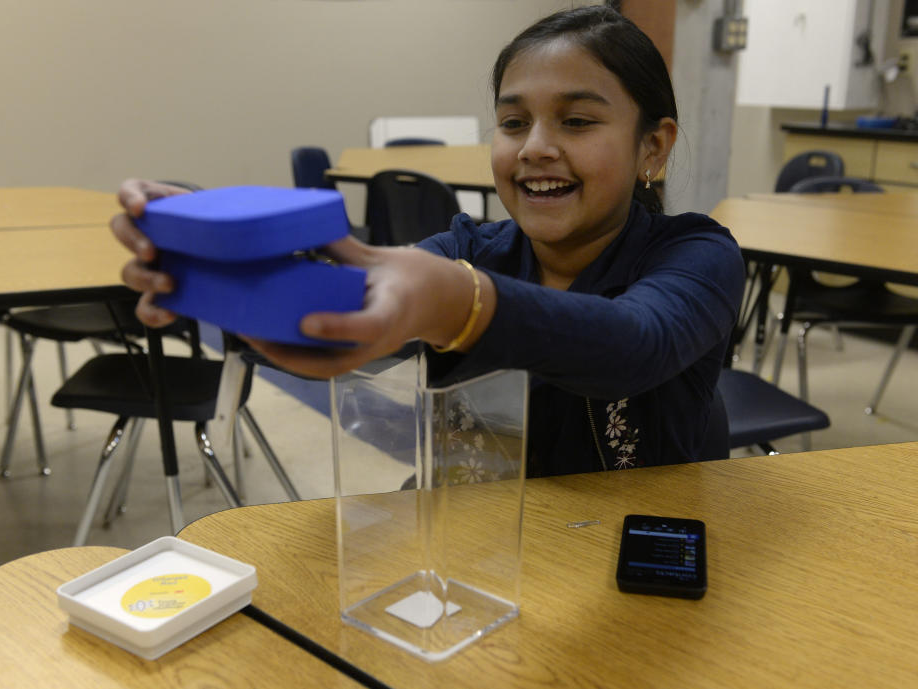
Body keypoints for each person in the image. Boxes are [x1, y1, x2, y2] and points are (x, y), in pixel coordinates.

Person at [111, 5, 745, 477]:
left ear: (653, 147)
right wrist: (227, 271)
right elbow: (347, 309)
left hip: (626, 558)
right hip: (478, 550)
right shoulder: (470, 248)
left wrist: (456, 302)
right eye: (513, 122)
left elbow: (633, 344)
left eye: (577, 121)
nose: (534, 148)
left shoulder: (697, 256)